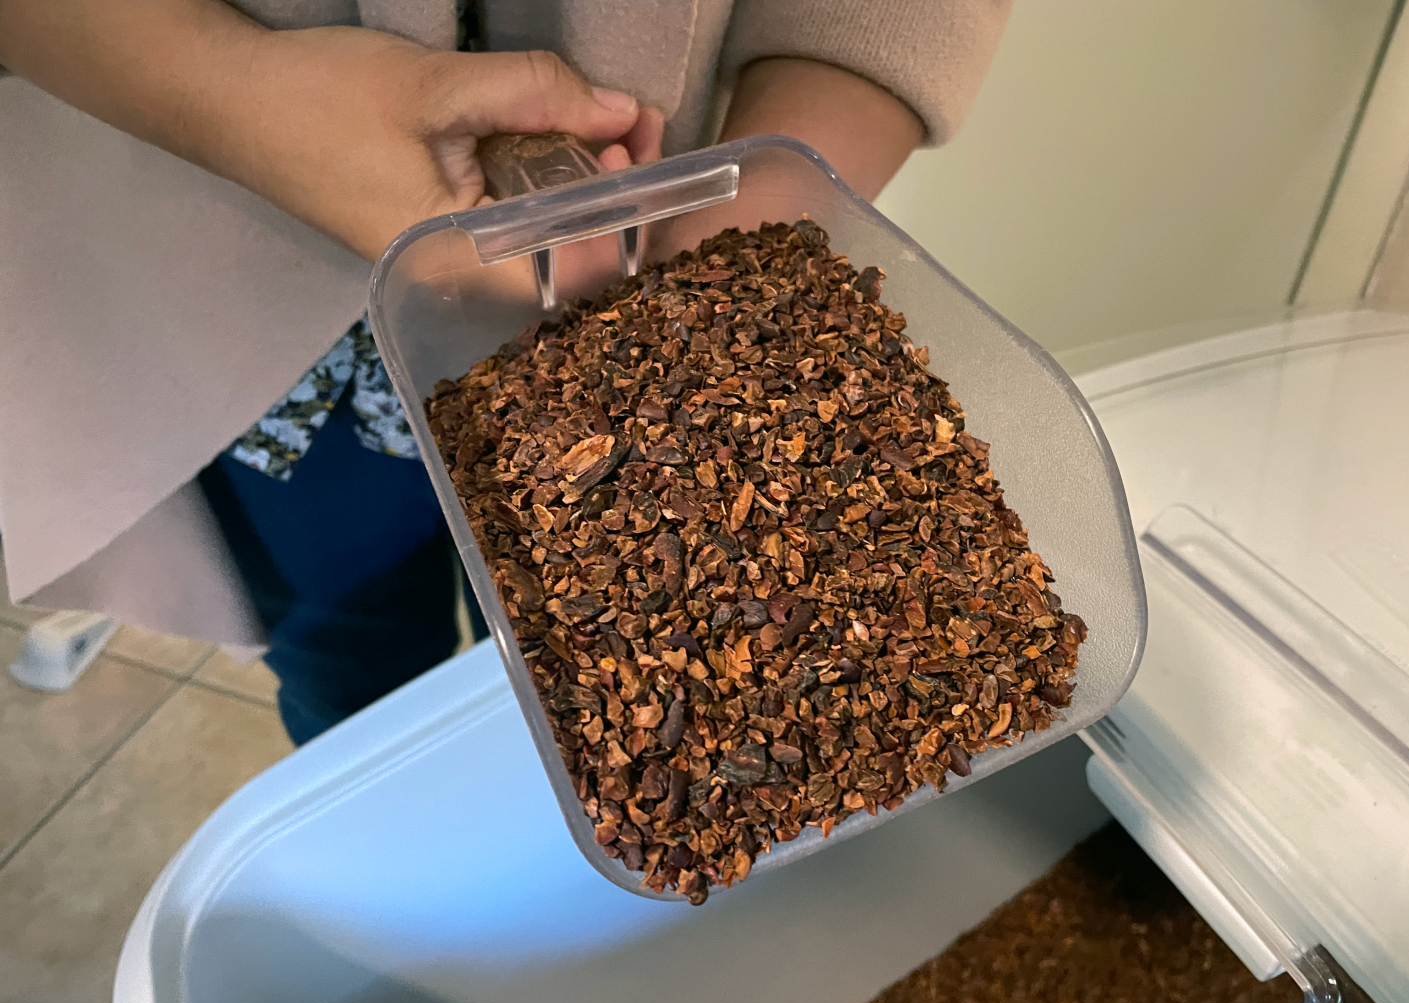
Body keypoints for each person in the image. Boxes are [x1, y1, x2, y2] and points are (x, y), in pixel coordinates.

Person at [0, 0, 1012, 744]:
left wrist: (773, 179)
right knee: (347, 662)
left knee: (612, 685)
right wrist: (223, 94)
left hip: (643, 263)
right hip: (255, 322)